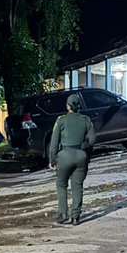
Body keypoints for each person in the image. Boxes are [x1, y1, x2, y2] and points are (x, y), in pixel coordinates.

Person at [48, 93, 95, 224]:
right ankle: (75, 216)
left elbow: (54, 143)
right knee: (77, 186)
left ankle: (63, 214)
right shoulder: (86, 119)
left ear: (68, 106)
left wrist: (52, 160)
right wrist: (86, 151)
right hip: (81, 155)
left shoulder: (61, 120)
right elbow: (92, 139)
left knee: (61, 184)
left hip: (65, 156)